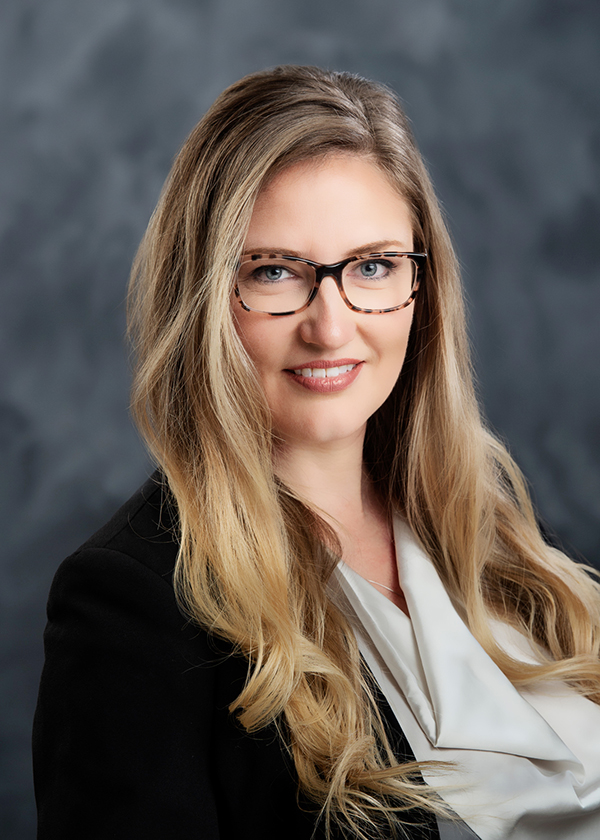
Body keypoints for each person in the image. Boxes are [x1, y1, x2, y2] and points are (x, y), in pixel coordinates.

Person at [33, 65, 600, 840]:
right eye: (274, 272)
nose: (331, 327)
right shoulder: (130, 606)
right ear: (201, 300)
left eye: (372, 266)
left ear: (422, 286)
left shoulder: (496, 535)